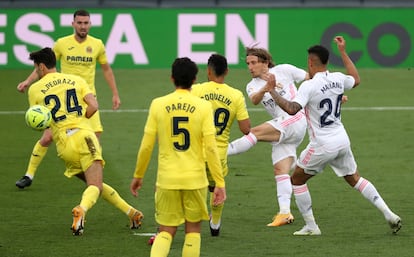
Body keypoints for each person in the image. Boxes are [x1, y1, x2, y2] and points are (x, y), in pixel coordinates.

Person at [266, 36, 402, 235]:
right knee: (355, 178)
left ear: (311, 62)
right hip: (341, 139)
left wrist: (272, 91)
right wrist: (344, 52)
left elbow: (292, 108)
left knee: (296, 180)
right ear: (326, 62)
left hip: (322, 144)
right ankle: (389, 214)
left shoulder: (309, 85)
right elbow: (355, 79)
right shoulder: (338, 78)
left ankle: (312, 227)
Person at [26, 47, 142, 235]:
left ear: (41, 67)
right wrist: (81, 120)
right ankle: (82, 210)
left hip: (63, 145)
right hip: (84, 137)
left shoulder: (34, 90)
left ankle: (132, 212)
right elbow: (94, 106)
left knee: (94, 184)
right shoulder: (76, 80)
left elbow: (40, 119)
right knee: (95, 185)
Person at [130, 57, 226, 257]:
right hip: (195, 179)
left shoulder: (158, 104)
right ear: (195, 79)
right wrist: (219, 182)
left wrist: (138, 176)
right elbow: (211, 148)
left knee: (166, 232)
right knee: (193, 232)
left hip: (167, 179)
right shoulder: (203, 106)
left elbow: (147, 145)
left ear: (172, 78)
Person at [16, 9, 121, 189]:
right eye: (79, 23)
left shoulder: (97, 45)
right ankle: (29, 174)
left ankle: (92, 180)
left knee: (95, 138)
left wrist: (115, 93)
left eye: (86, 23)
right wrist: (28, 80)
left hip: (88, 99)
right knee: (48, 136)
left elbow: (106, 69)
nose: (82, 26)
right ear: (73, 24)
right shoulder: (62, 44)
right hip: (64, 97)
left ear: (90, 24)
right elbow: (44, 65)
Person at [227, 47, 308, 227]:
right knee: (281, 170)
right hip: (286, 129)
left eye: (254, 62)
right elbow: (255, 99)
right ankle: (285, 213)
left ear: (265, 62)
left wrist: (334, 97)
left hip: (295, 118)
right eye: (248, 63)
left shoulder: (284, 70)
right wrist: (266, 88)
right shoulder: (251, 85)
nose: (250, 67)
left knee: (254, 133)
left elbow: (310, 78)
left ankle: (219, 153)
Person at [191, 53, 251, 236]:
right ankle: (215, 224)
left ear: (208, 71)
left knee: (195, 185)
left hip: (197, 150)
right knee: (217, 186)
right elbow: (246, 129)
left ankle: (191, 223)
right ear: (226, 71)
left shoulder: (196, 90)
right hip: (219, 153)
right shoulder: (236, 95)